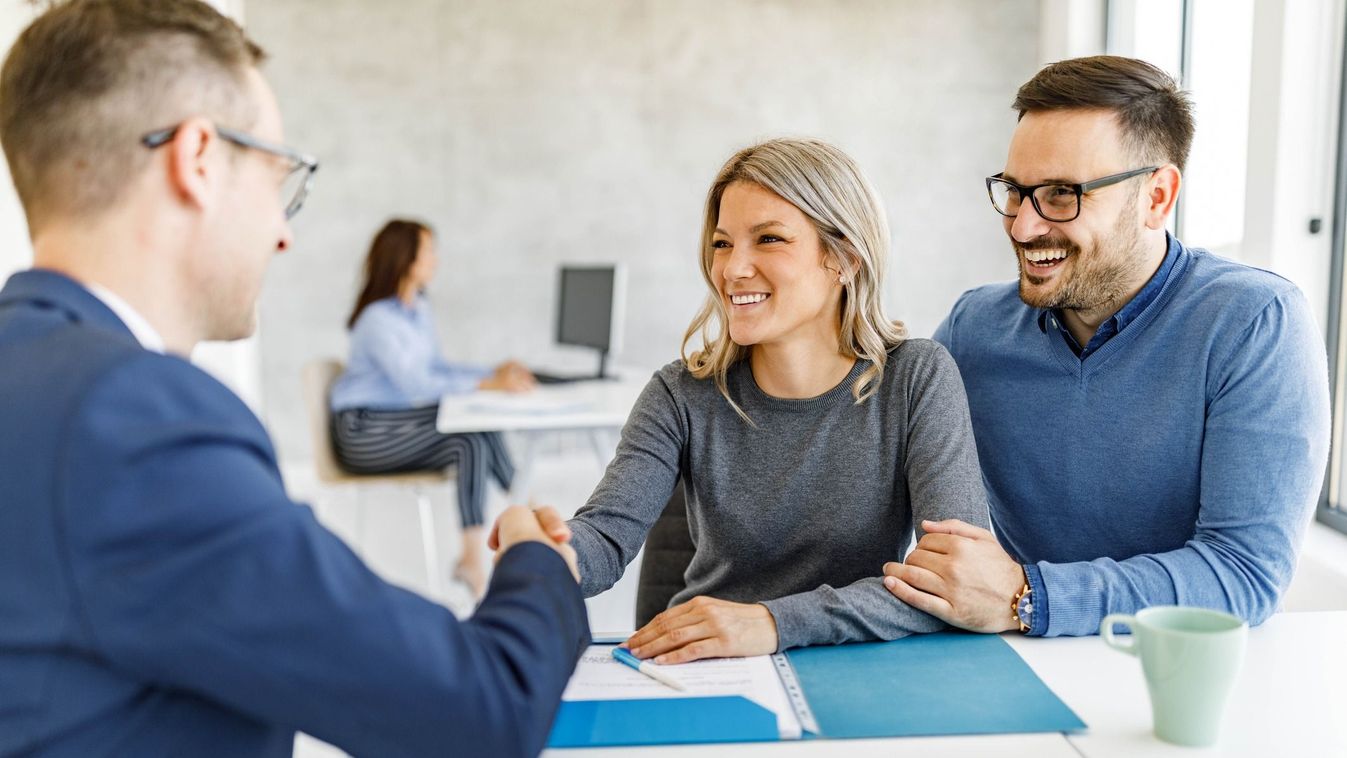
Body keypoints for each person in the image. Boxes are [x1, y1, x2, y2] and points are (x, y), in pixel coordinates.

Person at [0, 2, 587, 756]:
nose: (283, 232)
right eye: (281, 178)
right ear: (199, 160)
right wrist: (536, 559)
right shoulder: (136, 420)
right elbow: (482, 711)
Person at [882, 55, 1331, 638]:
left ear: (1156, 197)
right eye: (1016, 192)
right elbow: (866, 462)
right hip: (1006, 664)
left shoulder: (1254, 324)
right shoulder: (973, 328)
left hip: (1166, 678)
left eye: (1063, 195)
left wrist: (1027, 596)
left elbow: (1243, 573)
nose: (1023, 227)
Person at [525, 137, 990, 665]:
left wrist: (772, 622)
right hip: (705, 671)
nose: (732, 269)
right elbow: (606, 536)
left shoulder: (916, 378)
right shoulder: (680, 394)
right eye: (722, 244)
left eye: (767, 239)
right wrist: (550, 554)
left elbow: (952, 581)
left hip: (854, 665)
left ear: (843, 258)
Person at [331, 218, 535, 596]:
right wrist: (488, 384)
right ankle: (474, 559)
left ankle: (525, 505)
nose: (436, 260)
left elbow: (437, 368)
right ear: (405, 259)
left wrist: (491, 372)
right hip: (363, 431)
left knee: (481, 426)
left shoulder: (418, 309)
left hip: (393, 420)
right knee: (467, 441)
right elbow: (417, 384)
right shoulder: (378, 319)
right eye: (429, 251)